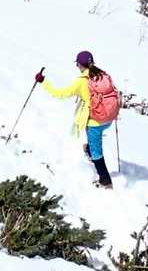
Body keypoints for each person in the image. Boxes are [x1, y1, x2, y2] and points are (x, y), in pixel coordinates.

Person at [38, 50, 120, 188]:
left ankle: (105, 180)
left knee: (97, 152)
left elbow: (60, 93)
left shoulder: (82, 82)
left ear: (80, 65)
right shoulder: (103, 75)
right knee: (93, 143)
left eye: (77, 64)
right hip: (109, 118)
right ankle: (89, 150)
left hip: (95, 121)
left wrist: (43, 82)